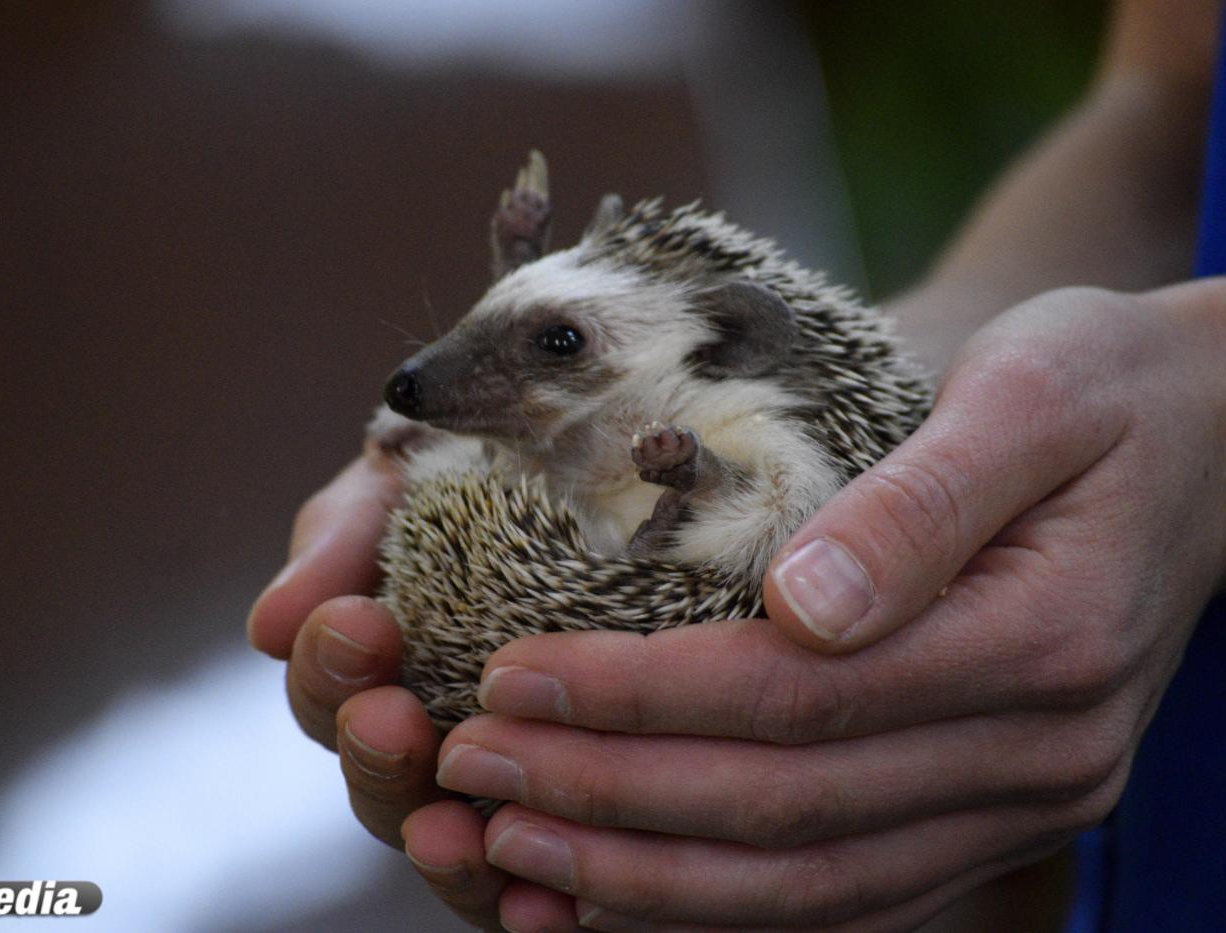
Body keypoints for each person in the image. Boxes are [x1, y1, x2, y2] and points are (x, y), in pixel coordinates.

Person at [247, 0, 1226, 928]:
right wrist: (974, 384)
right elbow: (1175, 99)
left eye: (558, 346)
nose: (427, 374)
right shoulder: (708, 398)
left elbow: (766, 536)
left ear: (722, 351)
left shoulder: (755, 444)